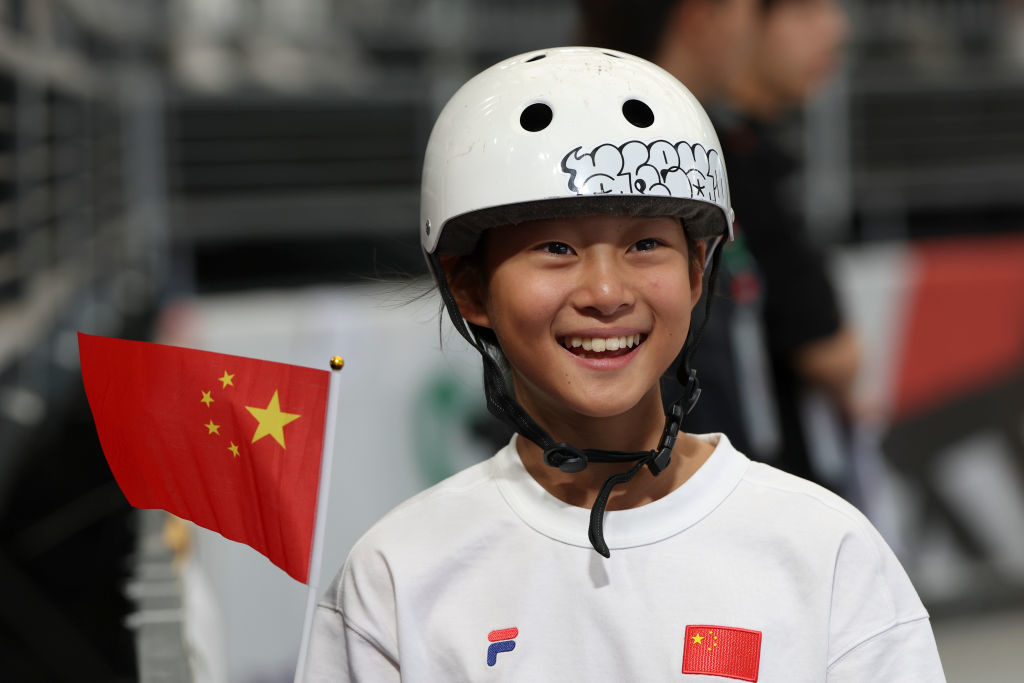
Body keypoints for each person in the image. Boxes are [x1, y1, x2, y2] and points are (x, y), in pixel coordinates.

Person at [303, 47, 944, 681]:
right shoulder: (397, 576)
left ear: (697, 273)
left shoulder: (824, 551)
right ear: (470, 290)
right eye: (555, 248)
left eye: (645, 245)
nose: (606, 294)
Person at [578, 0, 860, 488]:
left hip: (689, 487)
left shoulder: (689, 146)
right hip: (670, 495)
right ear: (701, 14)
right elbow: (833, 356)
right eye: (747, 11)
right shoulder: (688, 159)